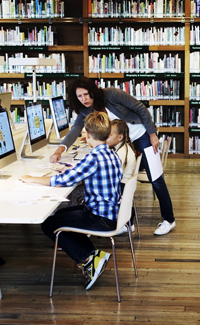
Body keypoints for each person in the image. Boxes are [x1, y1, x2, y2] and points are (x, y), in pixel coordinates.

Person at [50, 77, 175, 235]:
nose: (84, 99)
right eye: (79, 96)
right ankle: (126, 222)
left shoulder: (111, 94)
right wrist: (59, 150)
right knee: (118, 178)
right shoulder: (84, 110)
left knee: (155, 178)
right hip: (121, 142)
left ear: (92, 91)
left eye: (86, 94)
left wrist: (152, 134)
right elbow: (75, 129)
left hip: (140, 135)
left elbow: (141, 108)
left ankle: (169, 219)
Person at [20, 112, 122, 290]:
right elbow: (81, 173)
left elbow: (61, 181)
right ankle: (93, 254)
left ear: (88, 135)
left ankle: (87, 259)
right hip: (110, 213)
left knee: (48, 224)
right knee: (60, 215)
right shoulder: (110, 153)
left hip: (99, 218)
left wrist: (31, 178)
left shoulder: (94, 157)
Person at [107, 119, 137, 235]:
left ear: (120, 138)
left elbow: (112, 176)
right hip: (124, 186)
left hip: (121, 187)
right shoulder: (122, 147)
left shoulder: (120, 153)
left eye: (109, 135)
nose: (105, 137)